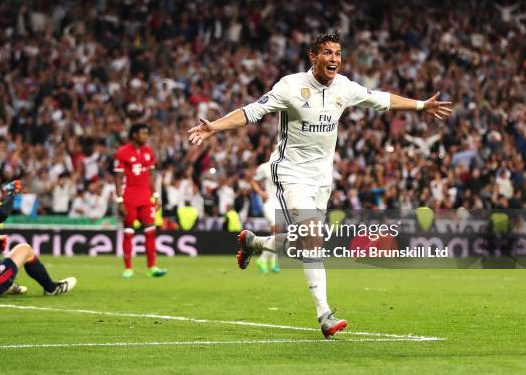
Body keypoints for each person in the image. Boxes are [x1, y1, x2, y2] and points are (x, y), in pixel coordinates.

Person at [188, 32, 452, 338]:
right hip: (291, 173)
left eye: (338, 53)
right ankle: (324, 314)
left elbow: (382, 100)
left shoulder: (345, 87)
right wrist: (214, 127)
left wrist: (421, 106)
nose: (335, 59)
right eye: (328, 53)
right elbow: (252, 112)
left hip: (322, 178)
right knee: (312, 238)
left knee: (304, 243)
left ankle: (254, 243)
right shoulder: (290, 86)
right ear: (313, 57)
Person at [114, 124, 167, 278]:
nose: (146, 136)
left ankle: (152, 267)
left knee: (150, 230)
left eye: (147, 133)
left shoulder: (148, 151)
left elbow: (151, 176)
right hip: (129, 196)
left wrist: (156, 195)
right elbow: (117, 178)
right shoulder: (122, 152)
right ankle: (128, 268)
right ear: (134, 134)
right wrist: (119, 201)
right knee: (129, 231)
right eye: (143, 133)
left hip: (145, 197)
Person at [250, 160, 281, 273]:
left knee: (276, 234)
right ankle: (264, 260)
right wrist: (261, 192)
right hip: (270, 203)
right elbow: (253, 181)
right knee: (275, 229)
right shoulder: (265, 167)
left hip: (281, 204)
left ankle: (272, 262)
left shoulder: (288, 166)